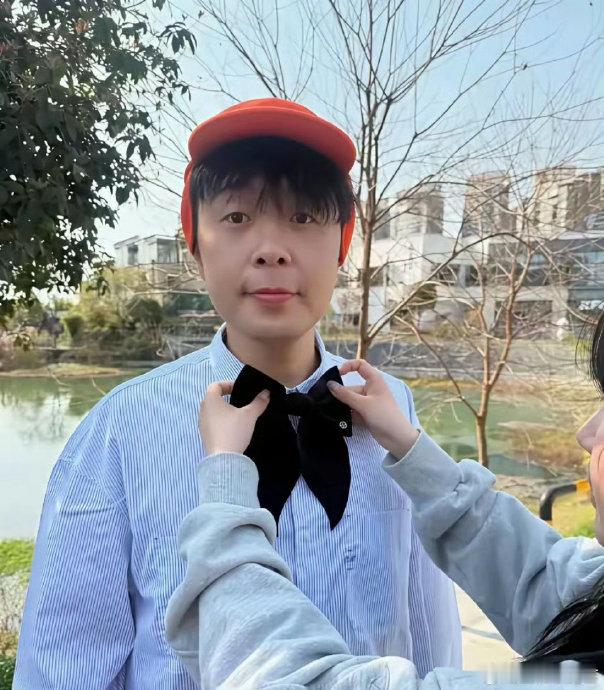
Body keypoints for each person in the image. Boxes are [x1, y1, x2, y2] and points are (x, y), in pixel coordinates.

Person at [13, 99, 460, 689]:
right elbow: (63, 666)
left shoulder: (390, 408)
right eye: (237, 217)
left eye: (304, 217)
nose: (272, 249)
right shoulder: (120, 429)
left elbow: (428, 621)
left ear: (343, 243)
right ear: (195, 243)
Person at [164, 317, 604, 688]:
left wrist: (224, 477)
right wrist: (412, 448)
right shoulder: (134, 417)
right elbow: (548, 586)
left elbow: (283, 675)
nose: (586, 434)